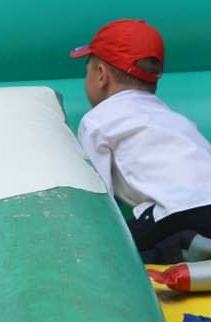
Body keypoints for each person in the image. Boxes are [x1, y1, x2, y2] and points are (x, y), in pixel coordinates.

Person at [71, 18, 211, 264]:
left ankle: (181, 248)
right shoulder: (171, 117)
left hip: (175, 213)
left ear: (101, 75)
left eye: (87, 71)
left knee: (115, 252)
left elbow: (100, 198)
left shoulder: (97, 120)